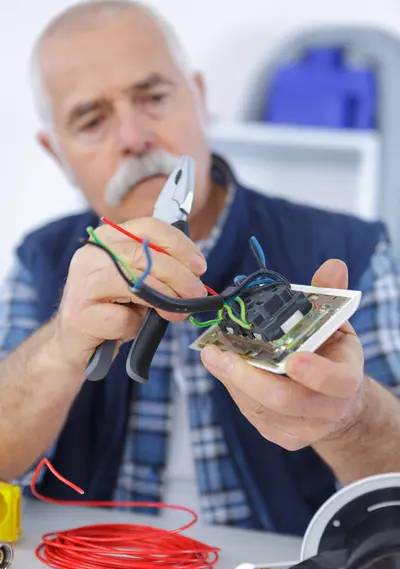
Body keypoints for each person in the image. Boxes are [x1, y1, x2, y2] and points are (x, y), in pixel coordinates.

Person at [1, 0, 400, 536]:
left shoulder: (350, 246)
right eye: (91, 120)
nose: (134, 137)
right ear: (57, 154)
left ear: (200, 98)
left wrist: (350, 417)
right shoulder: (40, 258)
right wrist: (58, 348)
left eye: (155, 97)